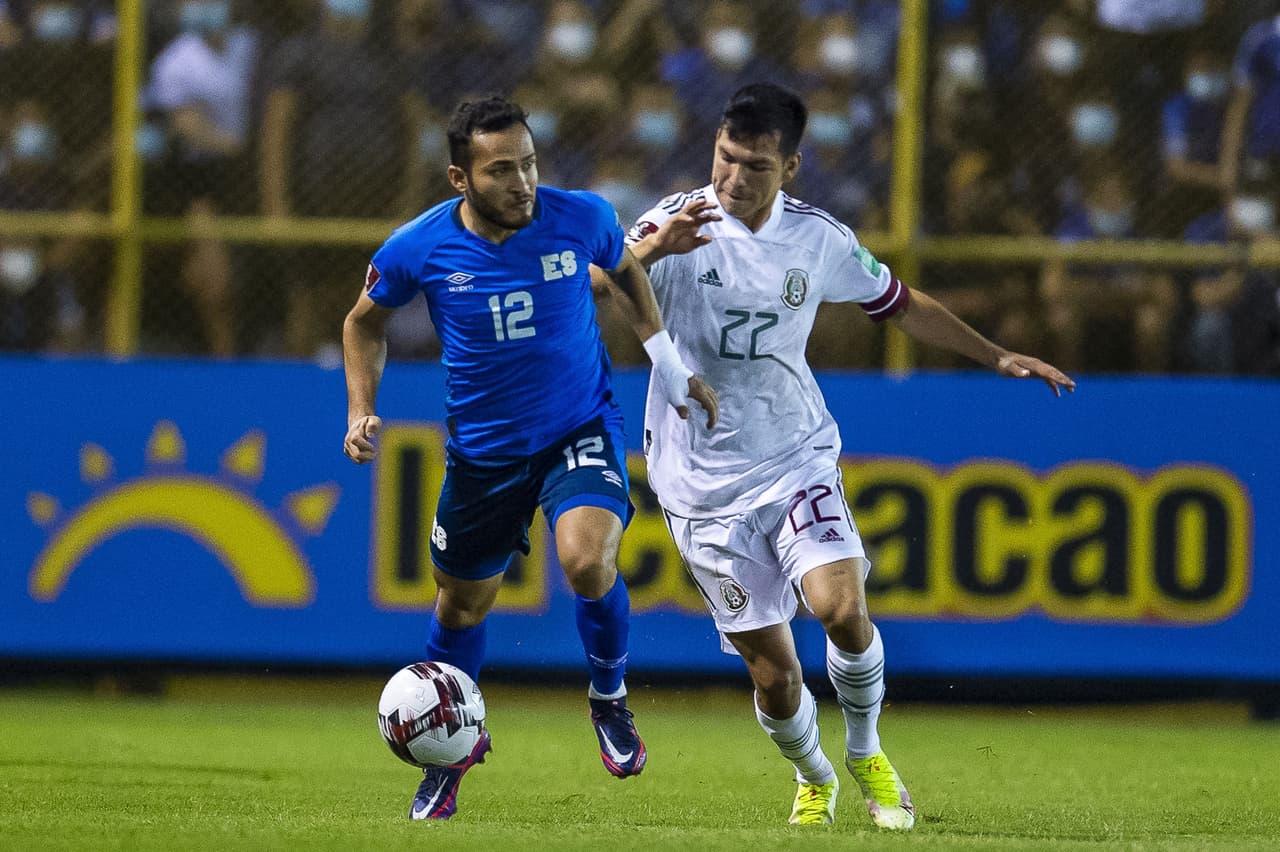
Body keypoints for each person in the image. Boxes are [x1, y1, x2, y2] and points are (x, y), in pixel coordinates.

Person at [599, 83, 1074, 830]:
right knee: (775, 676)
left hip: (794, 455)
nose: (732, 179)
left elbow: (901, 303)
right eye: (725, 158)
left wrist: (994, 354)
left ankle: (865, 753)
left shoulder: (819, 239)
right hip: (699, 485)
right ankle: (813, 773)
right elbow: (596, 289)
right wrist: (650, 251)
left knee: (842, 610)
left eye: (755, 165)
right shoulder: (673, 220)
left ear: (790, 167)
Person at [341, 96, 719, 821]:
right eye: (502, 169)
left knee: (586, 560)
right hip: (482, 456)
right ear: (460, 178)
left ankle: (608, 697)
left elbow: (622, 272)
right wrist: (361, 408)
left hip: (577, 428)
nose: (523, 182)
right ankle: (450, 753)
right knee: (461, 603)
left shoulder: (580, 215)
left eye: (530, 163)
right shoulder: (416, 248)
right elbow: (364, 324)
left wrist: (666, 362)